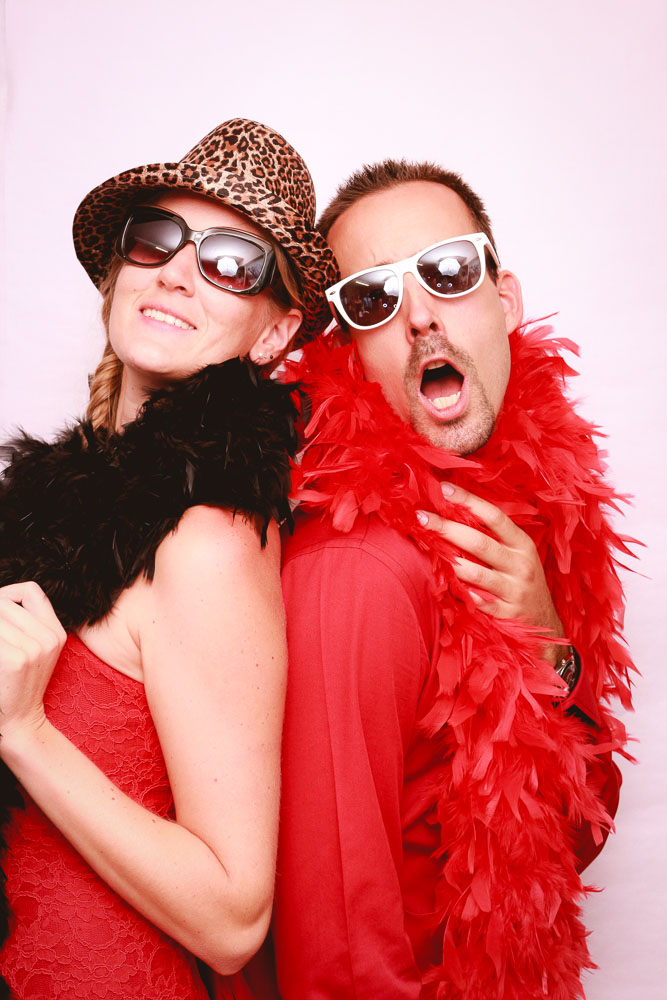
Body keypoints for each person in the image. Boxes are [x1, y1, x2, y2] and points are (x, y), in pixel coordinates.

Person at [272, 161, 635, 999]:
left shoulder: (523, 532)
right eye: (372, 298)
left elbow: (570, 838)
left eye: (446, 270)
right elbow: (338, 960)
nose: (420, 316)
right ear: (344, 351)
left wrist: (549, 648)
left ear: (503, 300)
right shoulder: (354, 572)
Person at [0, 118, 336, 1000]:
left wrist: (24, 732)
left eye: (231, 262)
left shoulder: (208, 540)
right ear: (119, 272)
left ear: (274, 333)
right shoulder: (63, 499)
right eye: (156, 238)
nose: (179, 271)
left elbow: (233, 919)